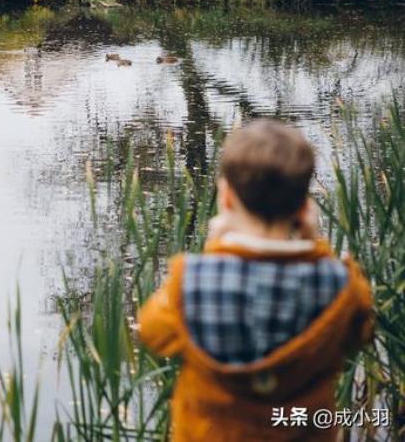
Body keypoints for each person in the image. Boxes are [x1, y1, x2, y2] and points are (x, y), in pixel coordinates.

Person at [137, 120, 373, 441]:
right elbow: (360, 331)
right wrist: (316, 245)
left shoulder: (190, 283)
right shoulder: (339, 286)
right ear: (304, 207)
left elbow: (153, 332)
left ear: (227, 199)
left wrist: (215, 250)